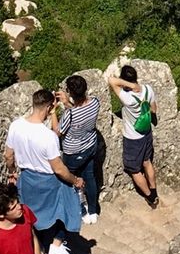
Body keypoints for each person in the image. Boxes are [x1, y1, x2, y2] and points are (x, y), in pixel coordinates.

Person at [4, 89, 85, 254]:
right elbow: (59, 170)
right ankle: (57, 244)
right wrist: (75, 180)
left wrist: (12, 172)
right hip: (48, 183)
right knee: (70, 206)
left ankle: (36, 249)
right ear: (49, 108)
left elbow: (8, 156)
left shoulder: (16, 126)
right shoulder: (48, 137)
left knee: (29, 215)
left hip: (27, 179)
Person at [53, 73, 101, 226]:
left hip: (73, 153)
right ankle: (93, 211)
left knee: (71, 181)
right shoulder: (95, 102)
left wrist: (53, 112)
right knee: (90, 177)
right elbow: (80, 112)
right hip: (91, 146)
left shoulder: (70, 114)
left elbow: (57, 132)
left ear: (70, 93)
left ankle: (82, 211)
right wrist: (68, 103)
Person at [108, 64, 158, 206]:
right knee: (147, 162)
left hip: (133, 138)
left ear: (124, 80)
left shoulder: (127, 98)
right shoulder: (148, 89)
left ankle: (149, 196)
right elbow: (154, 110)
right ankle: (154, 190)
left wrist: (129, 86)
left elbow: (111, 80)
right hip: (146, 132)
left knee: (134, 170)